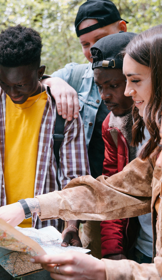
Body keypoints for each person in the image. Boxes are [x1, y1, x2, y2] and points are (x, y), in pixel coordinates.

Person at [0, 24, 162, 279]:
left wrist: (103, 269)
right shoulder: (151, 148)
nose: (129, 91)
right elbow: (114, 191)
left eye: (135, 80)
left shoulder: (62, 113)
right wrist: (30, 206)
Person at [0, 25, 89, 280]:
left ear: (40, 72)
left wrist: (71, 225)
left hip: (44, 239)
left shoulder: (62, 112)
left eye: (21, 84)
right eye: (4, 83)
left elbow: (75, 179)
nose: (13, 93)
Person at [43, 0, 129, 255]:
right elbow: (35, 78)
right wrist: (55, 83)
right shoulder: (78, 76)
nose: (93, 50)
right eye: (85, 44)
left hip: (136, 192)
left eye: (100, 39)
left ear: (122, 29)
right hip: (97, 198)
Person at [91, 32, 154, 263]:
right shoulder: (112, 126)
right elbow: (113, 188)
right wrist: (112, 251)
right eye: (99, 87)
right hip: (142, 247)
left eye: (114, 85)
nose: (105, 96)